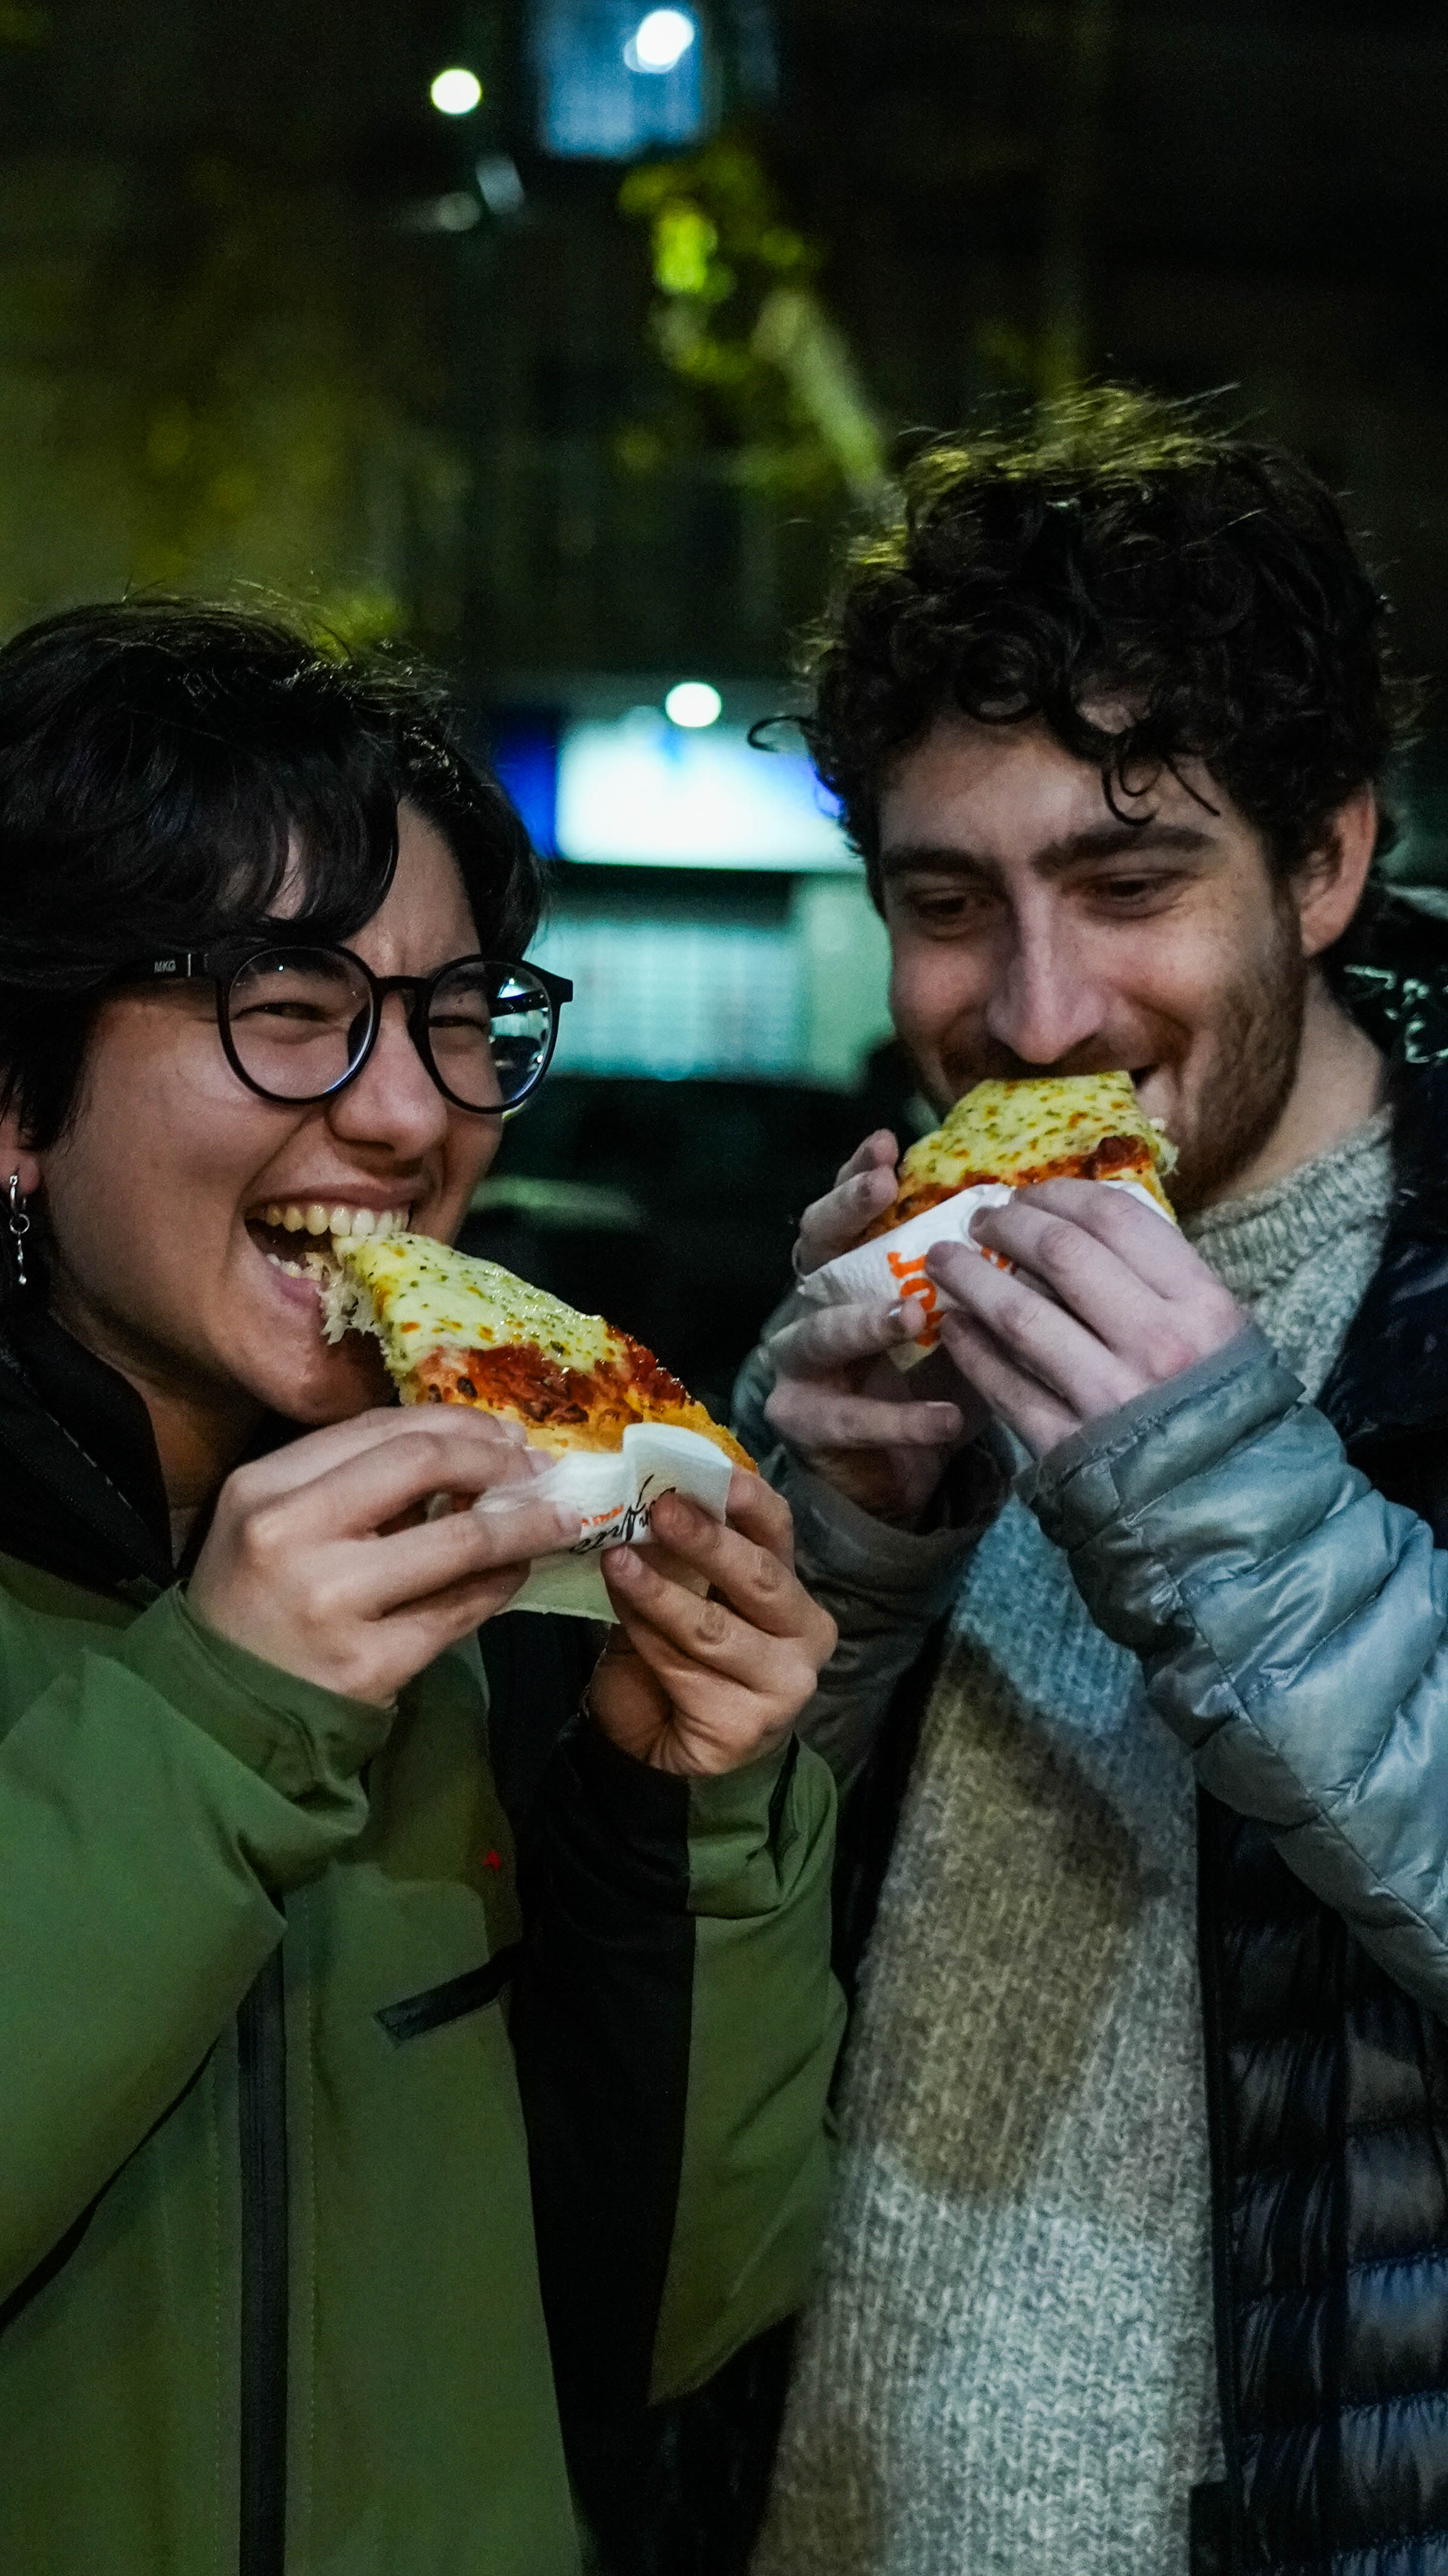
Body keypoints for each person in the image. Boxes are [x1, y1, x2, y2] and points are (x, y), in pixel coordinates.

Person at [0, 600, 842, 2576]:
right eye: (288, 1007)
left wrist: (675, 1818)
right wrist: (216, 1712)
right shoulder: (248, 1663)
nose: (408, 1113)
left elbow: (670, 2323)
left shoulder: (520, 1612)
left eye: (461, 1017)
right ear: (18, 1100)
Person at [733, 388, 1448, 2575]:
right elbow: (700, 1973)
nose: (1036, 1014)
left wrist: (1219, 1485)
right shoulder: (879, 1298)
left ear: (1325, 862)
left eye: (1127, 884)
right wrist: (834, 1566)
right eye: (947, 903)